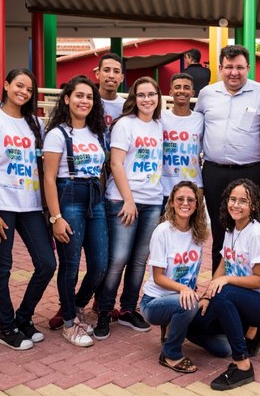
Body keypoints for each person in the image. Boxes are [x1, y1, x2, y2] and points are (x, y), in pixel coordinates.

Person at [0, 68, 56, 351]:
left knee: (47, 264)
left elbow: (41, 167)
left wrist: (47, 208)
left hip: (30, 205)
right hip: (1, 205)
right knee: (2, 268)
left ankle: (23, 317)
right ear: (6, 85)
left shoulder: (34, 123)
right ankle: (7, 328)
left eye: (29, 89)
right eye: (19, 86)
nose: (24, 92)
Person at [190, 179, 260, 391]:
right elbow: (224, 264)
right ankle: (248, 333)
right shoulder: (231, 229)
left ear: (253, 205)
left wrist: (223, 282)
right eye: (233, 199)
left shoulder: (256, 234)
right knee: (194, 322)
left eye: (243, 201)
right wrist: (208, 293)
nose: (236, 205)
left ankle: (242, 365)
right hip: (244, 298)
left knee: (223, 293)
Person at [94, 76, 164, 340]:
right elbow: (116, 164)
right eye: (142, 94)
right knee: (119, 259)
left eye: (152, 95)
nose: (147, 100)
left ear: (159, 98)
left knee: (139, 261)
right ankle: (104, 311)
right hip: (123, 200)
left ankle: (127, 309)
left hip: (153, 200)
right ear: (135, 98)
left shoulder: (159, 124)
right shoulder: (125, 125)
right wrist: (128, 200)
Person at [43, 76, 108, 347]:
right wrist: (56, 218)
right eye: (79, 96)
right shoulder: (58, 133)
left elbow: (103, 171)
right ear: (67, 99)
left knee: (100, 264)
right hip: (68, 196)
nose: (84, 101)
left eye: (89, 97)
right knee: (70, 265)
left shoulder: (96, 132)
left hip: (95, 197)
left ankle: (77, 304)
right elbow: (48, 178)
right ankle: (70, 323)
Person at [195, 45, 260, 272]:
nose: (234, 72)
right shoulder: (207, 94)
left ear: (248, 68)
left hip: (250, 171)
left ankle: (250, 282)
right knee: (219, 230)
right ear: (220, 68)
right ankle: (218, 287)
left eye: (239, 67)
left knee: (251, 228)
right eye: (228, 67)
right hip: (214, 171)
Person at [141, 181, 208, 374]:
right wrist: (184, 290)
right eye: (180, 199)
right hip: (154, 302)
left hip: (182, 298)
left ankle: (173, 325)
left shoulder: (199, 232)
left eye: (190, 200)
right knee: (188, 304)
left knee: (222, 349)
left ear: (197, 204)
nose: (185, 203)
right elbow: (158, 277)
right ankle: (170, 353)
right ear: (171, 202)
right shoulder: (163, 231)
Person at [161, 73, 203, 208]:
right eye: (177, 87)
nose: (182, 91)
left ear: (192, 92)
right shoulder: (160, 117)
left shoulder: (201, 119)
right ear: (171, 91)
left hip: (194, 187)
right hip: (164, 188)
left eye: (186, 87)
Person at [95, 53, 126, 130]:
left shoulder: (127, 107)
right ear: (97, 74)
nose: (111, 75)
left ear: (122, 78)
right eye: (106, 70)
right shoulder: (87, 103)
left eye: (116, 71)